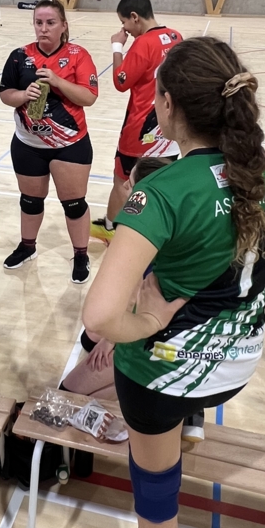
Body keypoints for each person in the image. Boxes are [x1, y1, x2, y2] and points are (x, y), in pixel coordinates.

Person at [83, 37, 265, 528]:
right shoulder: (263, 172)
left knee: (155, 477)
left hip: (166, 374)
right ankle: (190, 415)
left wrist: (147, 322)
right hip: (239, 362)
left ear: (168, 104)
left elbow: (99, 317)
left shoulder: (164, 191)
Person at [0, 0, 99, 284]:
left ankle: (80, 254)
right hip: (28, 144)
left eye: (50, 23)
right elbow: (5, 94)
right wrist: (23, 95)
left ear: (63, 25)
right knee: (30, 200)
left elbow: (89, 97)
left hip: (69, 145)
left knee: (74, 204)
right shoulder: (19, 56)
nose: (43, 28)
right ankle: (27, 246)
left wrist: (57, 81)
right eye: (38, 22)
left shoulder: (78, 55)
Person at [65, 157, 174, 404]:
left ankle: (147, 386)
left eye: (130, 182)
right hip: (159, 320)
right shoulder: (168, 221)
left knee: (69, 393)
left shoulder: (141, 235)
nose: (124, 185)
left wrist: (112, 340)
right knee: (90, 338)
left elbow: (132, 300)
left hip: (164, 337)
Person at [90, 0, 182, 243]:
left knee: (123, 181)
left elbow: (121, 82)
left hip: (141, 128)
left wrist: (117, 46)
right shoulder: (176, 37)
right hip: (169, 128)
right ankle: (155, 234)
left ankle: (114, 231)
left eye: (124, 23)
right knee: (160, 183)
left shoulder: (144, 43)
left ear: (135, 17)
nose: (125, 29)